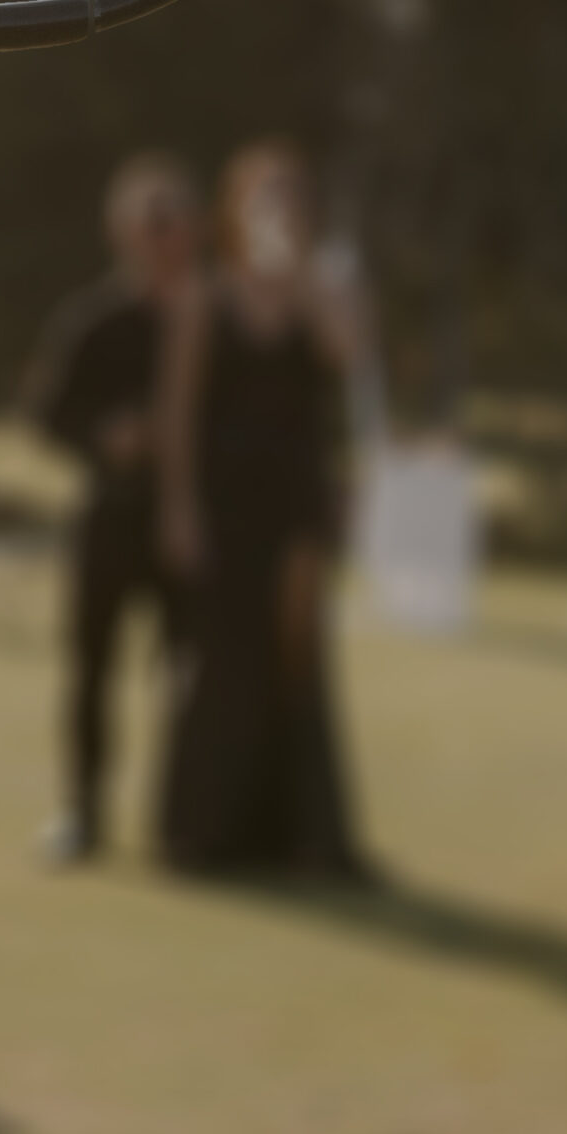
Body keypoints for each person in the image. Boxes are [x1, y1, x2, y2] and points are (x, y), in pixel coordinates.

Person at [155, 140, 366, 879]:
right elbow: (179, 415)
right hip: (224, 502)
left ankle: (309, 837)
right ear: (236, 209)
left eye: (289, 196)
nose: (276, 209)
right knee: (224, 658)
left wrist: (304, 278)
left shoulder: (324, 291)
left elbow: (347, 359)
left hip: (297, 502)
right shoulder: (205, 299)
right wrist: (178, 509)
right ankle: (206, 832)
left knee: (298, 658)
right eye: (262, 195)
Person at [20, 154, 200, 863]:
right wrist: (106, 435)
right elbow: (46, 413)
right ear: (122, 230)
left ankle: (184, 821)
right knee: (94, 671)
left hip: (188, 523)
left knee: (193, 674)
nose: (166, 235)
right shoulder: (94, 320)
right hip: (112, 519)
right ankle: (84, 815)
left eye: (177, 219)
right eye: (153, 221)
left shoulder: (206, 316)